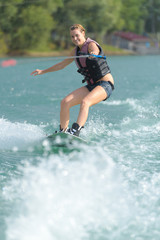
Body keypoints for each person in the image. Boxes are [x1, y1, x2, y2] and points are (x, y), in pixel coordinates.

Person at [31, 24, 114, 136]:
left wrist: (93, 54)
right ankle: (63, 132)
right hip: (91, 86)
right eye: (72, 37)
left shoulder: (91, 45)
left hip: (105, 85)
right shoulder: (74, 52)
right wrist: (43, 71)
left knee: (85, 102)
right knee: (65, 102)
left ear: (83, 33)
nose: (75, 39)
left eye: (77, 35)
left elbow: (95, 50)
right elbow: (61, 65)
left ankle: (75, 131)